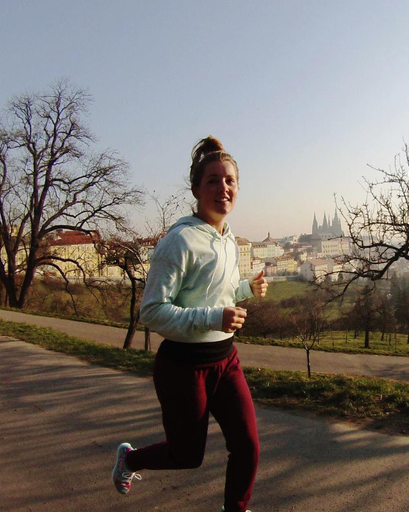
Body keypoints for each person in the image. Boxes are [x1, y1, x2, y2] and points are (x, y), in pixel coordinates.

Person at [111, 136, 267, 512]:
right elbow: (151, 312)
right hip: (183, 367)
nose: (223, 188)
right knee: (186, 455)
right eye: (213, 180)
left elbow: (216, 290)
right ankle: (129, 460)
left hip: (225, 360)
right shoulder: (178, 241)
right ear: (196, 189)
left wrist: (245, 287)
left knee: (248, 447)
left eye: (229, 180)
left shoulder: (227, 239)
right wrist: (215, 317)